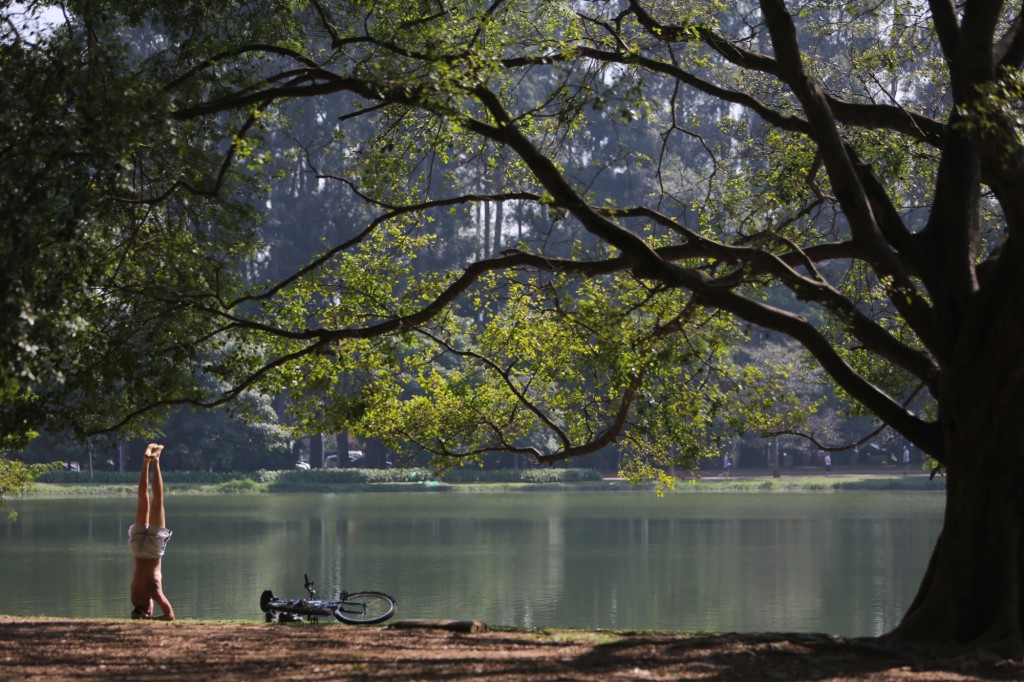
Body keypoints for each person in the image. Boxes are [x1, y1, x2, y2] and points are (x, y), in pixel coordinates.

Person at [129, 443, 175, 620]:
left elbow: (170, 616)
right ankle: (145, 462)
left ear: (148, 610)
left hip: (152, 551)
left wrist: (151, 620)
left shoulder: (153, 592)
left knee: (158, 501)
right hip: (137, 550)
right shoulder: (134, 597)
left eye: (151, 609)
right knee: (142, 499)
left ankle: (155, 461)